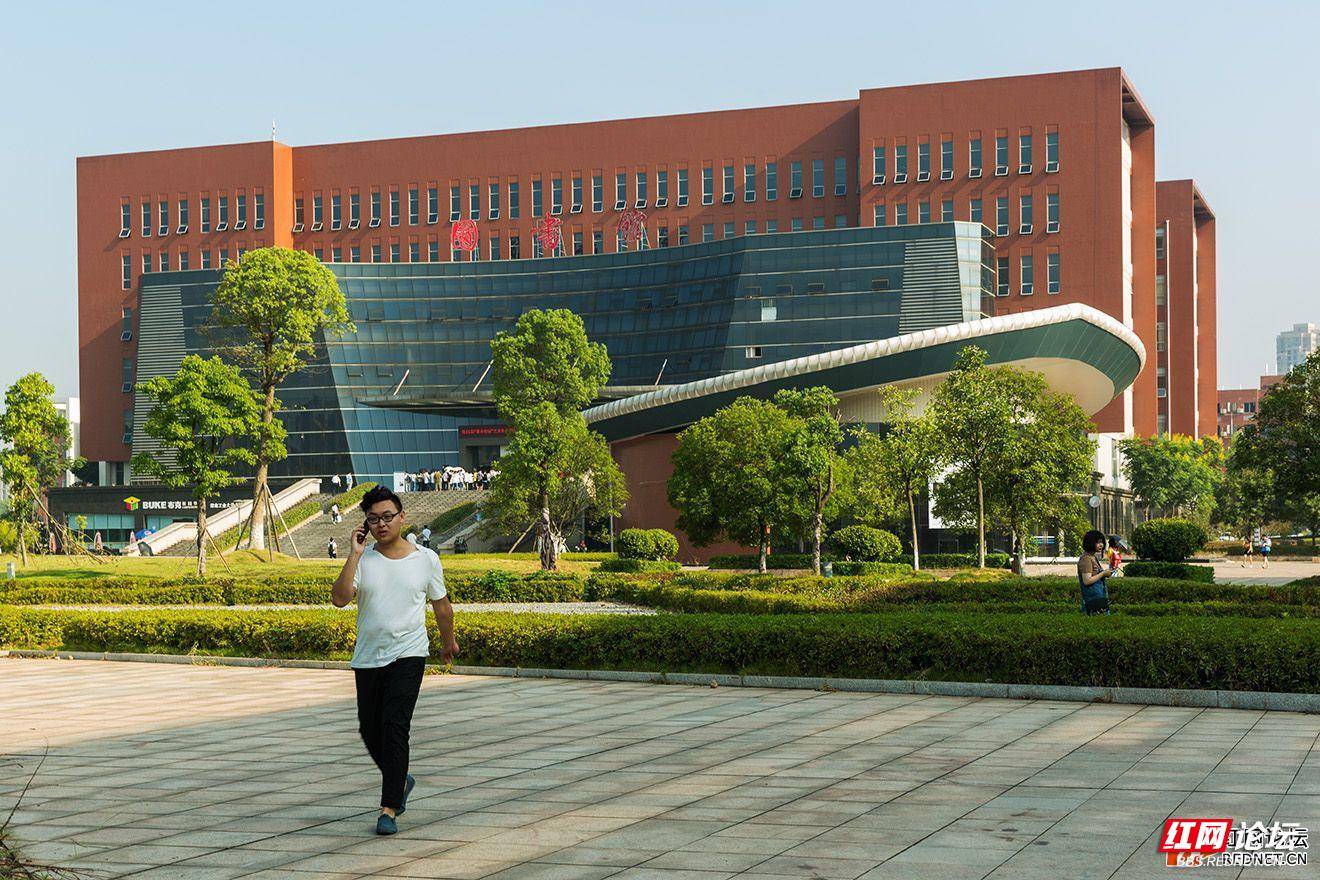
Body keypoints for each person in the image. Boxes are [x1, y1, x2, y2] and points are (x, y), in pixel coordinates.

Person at [331, 486, 458, 836]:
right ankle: (401, 778)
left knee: (394, 727)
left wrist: (448, 642)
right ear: (366, 524)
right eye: (373, 519)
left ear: (402, 517)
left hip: (409, 653)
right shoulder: (364, 559)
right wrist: (354, 555)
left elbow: (441, 606)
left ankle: (389, 808)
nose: (381, 524)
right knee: (369, 730)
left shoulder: (426, 559)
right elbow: (340, 599)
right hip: (369, 657)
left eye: (388, 516)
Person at [1077, 530, 1114, 615]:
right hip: (1092, 600)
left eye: (1102, 542)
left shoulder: (1093, 557)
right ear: (1090, 543)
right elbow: (1086, 581)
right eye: (1098, 542)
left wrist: (1106, 574)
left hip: (1099, 597)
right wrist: (1103, 573)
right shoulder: (1086, 559)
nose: (1101, 545)